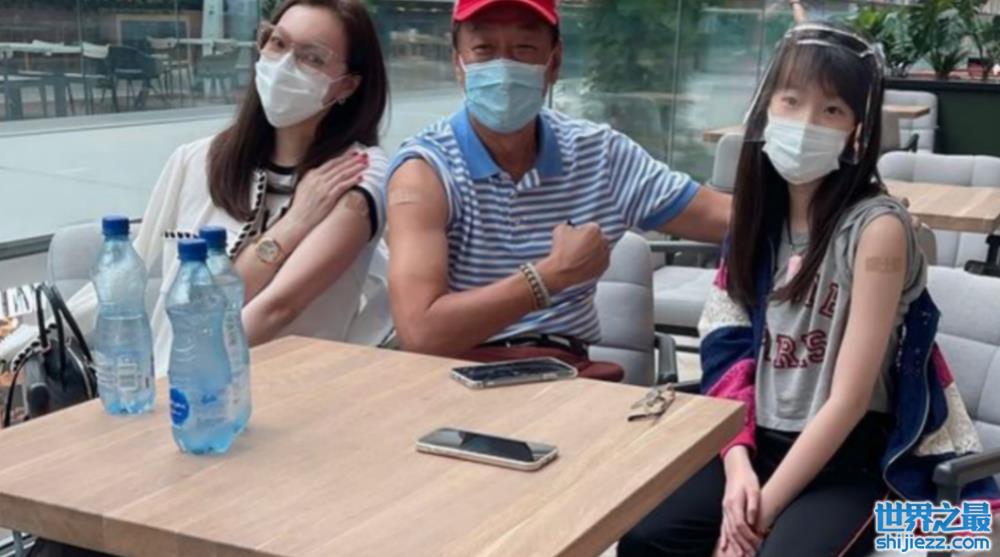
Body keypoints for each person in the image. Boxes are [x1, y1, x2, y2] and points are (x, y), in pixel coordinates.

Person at [619, 24, 999, 557]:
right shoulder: (754, 224)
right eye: (791, 101)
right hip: (760, 441)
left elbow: (849, 400)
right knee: (647, 538)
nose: (805, 123)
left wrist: (760, 514)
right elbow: (727, 352)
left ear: (857, 132)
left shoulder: (877, 229)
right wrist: (737, 468)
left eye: (832, 110)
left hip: (852, 460)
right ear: (765, 110)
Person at [383, 0, 731, 381]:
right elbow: (420, 332)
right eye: (484, 49)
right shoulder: (426, 170)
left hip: (569, 375)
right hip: (455, 377)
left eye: (524, 48)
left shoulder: (599, 154)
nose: (503, 67)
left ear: (554, 62)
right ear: (458, 63)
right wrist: (548, 277)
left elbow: (722, 217)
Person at [67, 0, 389, 373]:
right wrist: (294, 224)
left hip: (280, 389)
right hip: (174, 387)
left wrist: (186, 369)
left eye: (312, 58)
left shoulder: (357, 173)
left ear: (347, 85)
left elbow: (278, 307)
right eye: (277, 43)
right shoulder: (197, 161)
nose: (284, 65)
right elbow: (145, 271)